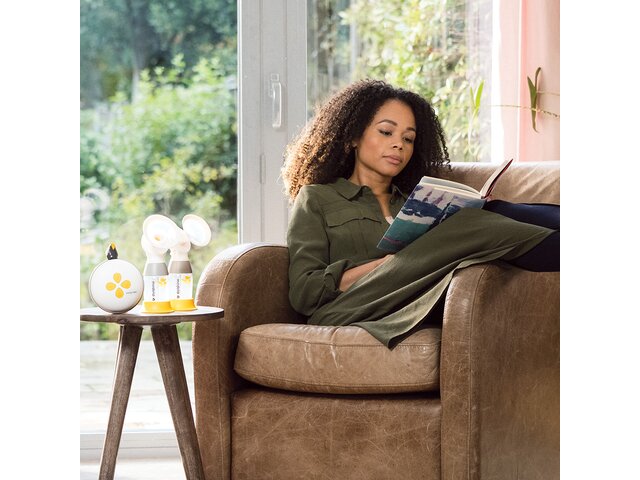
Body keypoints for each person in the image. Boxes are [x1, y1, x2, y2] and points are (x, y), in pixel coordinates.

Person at [281, 79, 559, 347]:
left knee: (485, 218)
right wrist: (384, 264)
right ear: (355, 135)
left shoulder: (415, 202)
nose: (399, 145)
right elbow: (304, 293)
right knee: (474, 220)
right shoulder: (317, 197)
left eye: (409, 138)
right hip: (350, 309)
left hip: (423, 295)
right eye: (386, 132)